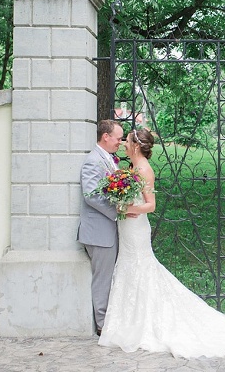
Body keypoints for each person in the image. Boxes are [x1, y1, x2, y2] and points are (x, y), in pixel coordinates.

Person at [98, 128, 225, 358]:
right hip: (127, 229)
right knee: (129, 268)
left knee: (140, 269)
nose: (124, 143)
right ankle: (128, 322)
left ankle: (143, 324)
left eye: (127, 140)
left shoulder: (144, 169)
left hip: (136, 230)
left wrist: (126, 208)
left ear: (135, 145)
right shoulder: (132, 168)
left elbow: (150, 205)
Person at [78, 119, 126, 336]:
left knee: (110, 276)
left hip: (108, 230)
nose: (120, 141)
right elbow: (91, 195)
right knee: (103, 277)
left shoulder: (108, 159)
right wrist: (118, 210)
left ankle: (109, 319)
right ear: (105, 136)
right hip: (99, 232)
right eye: (118, 137)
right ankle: (102, 324)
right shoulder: (92, 161)